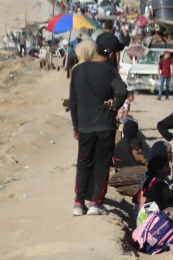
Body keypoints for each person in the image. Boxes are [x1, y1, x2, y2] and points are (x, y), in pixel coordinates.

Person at [68, 32, 128, 216]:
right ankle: (96, 203)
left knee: (83, 163)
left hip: (84, 126)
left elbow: (73, 101)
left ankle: (78, 203)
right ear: (110, 53)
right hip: (105, 125)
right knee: (102, 165)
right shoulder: (109, 71)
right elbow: (122, 91)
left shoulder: (78, 70)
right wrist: (114, 106)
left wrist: (76, 126)